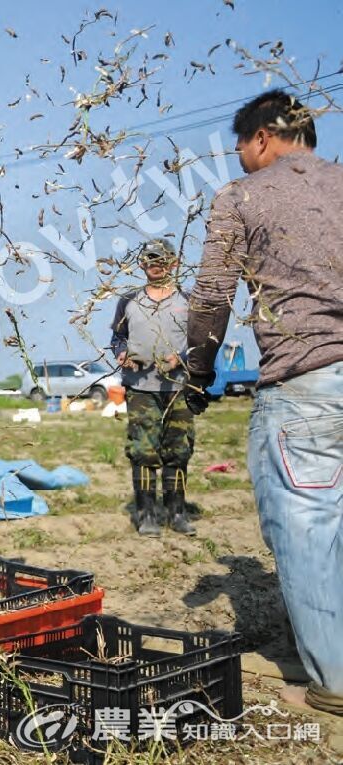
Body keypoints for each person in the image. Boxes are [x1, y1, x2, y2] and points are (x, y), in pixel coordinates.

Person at [185, 89, 342, 716]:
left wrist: (198, 372)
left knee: (307, 528)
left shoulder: (243, 197)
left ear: (260, 139)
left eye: (240, 150)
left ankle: (333, 677)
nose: (241, 161)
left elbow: (213, 296)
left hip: (306, 387)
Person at [110, 238, 196, 537]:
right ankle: (147, 516)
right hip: (141, 390)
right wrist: (122, 354)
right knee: (143, 453)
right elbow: (117, 338)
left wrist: (181, 359)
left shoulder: (188, 300)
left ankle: (177, 513)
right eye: (148, 259)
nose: (154, 265)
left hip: (178, 389)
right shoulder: (129, 300)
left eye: (160, 259)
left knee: (178, 452)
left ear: (173, 262)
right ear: (141, 264)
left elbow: (202, 342)